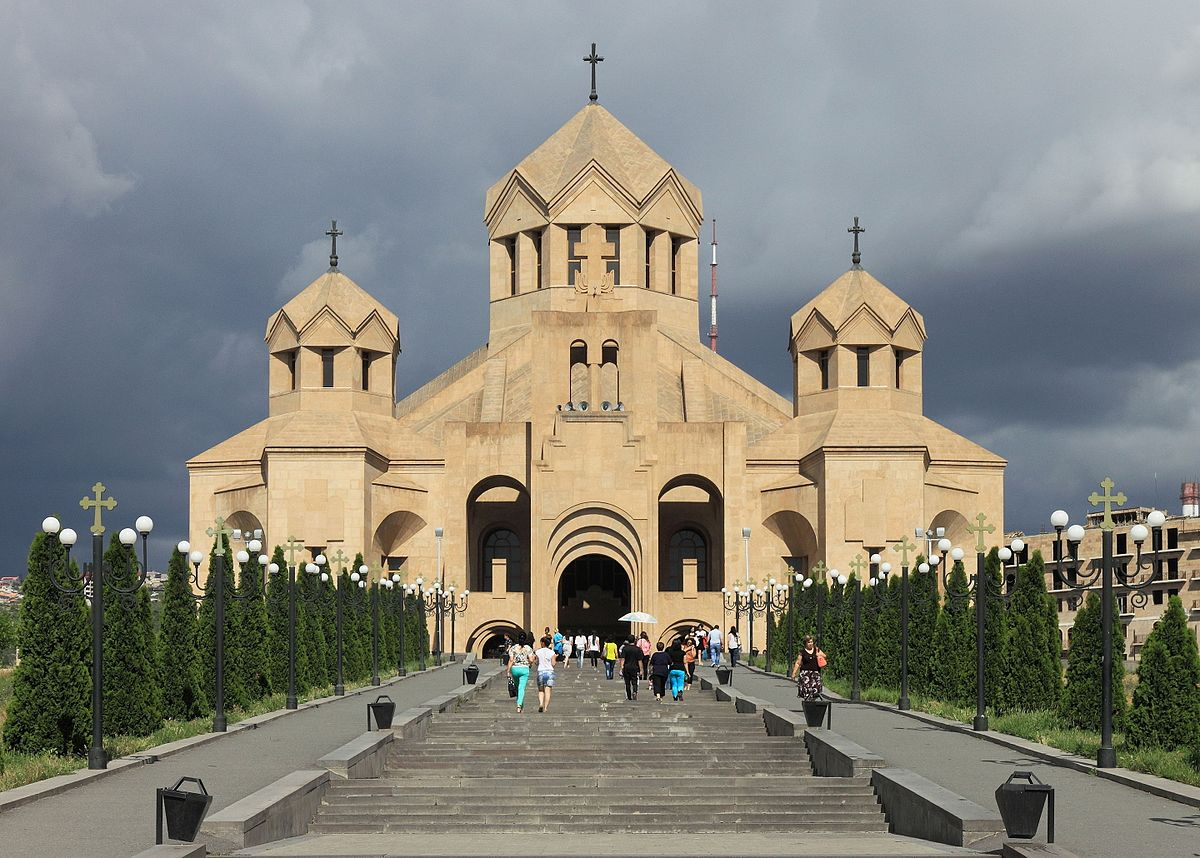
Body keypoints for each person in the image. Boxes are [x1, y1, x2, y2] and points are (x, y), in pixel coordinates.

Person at [790, 634, 825, 700]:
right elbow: (798, 663)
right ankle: (807, 704)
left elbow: (824, 656)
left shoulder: (816, 650)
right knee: (807, 690)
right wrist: (794, 673)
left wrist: (819, 655)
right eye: (809, 642)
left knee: (816, 690)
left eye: (811, 642)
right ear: (805, 643)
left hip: (815, 673)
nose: (810, 644)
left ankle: (811, 703)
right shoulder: (802, 652)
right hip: (806, 674)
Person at [507, 632, 534, 713]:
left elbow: (511, 660)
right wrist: (530, 663)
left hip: (515, 669)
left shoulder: (513, 648)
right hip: (524, 669)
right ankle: (519, 705)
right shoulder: (528, 648)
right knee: (521, 687)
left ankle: (521, 706)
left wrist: (508, 671)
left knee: (517, 687)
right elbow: (531, 659)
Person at [535, 635, 556, 712]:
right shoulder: (552, 652)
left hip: (540, 671)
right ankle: (546, 707)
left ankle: (541, 704)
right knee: (548, 691)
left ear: (543, 643)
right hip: (549, 672)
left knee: (541, 690)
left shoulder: (538, 652)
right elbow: (553, 663)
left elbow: (536, 662)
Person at [618, 636, 643, 700]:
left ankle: (629, 695)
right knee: (634, 681)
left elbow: (623, 659)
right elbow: (639, 660)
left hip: (626, 667)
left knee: (627, 682)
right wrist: (641, 670)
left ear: (628, 641)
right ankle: (634, 691)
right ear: (634, 640)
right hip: (635, 667)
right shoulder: (638, 649)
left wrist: (621, 668)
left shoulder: (625, 648)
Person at [667, 637, 688, 701]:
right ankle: (680, 691)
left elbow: (669, 661)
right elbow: (685, 662)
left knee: (674, 684)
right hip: (681, 669)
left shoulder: (670, 653)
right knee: (680, 683)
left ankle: (675, 696)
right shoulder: (683, 653)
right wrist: (687, 671)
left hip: (672, 669)